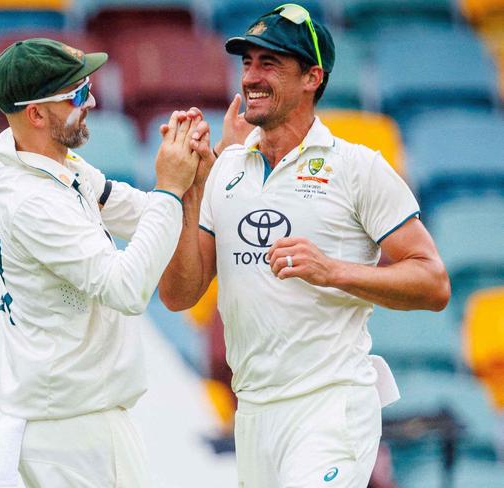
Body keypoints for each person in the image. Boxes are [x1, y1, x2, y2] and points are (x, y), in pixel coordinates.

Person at [159, 4, 451, 488]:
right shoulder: (226, 168)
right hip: (252, 414)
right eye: (247, 62)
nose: (251, 76)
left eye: (269, 63)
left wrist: (333, 270)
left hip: (330, 407)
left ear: (313, 76)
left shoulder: (358, 167)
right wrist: (186, 191)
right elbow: (179, 295)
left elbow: (434, 281)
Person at [0, 38, 206, 488]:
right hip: (73, 431)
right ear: (35, 114)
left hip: (77, 421)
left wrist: (192, 181)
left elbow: (137, 212)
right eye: (77, 95)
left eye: (88, 86)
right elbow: (126, 288)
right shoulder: (32, 201)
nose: (92, 101)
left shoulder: (55, 167)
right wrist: (172, 188)